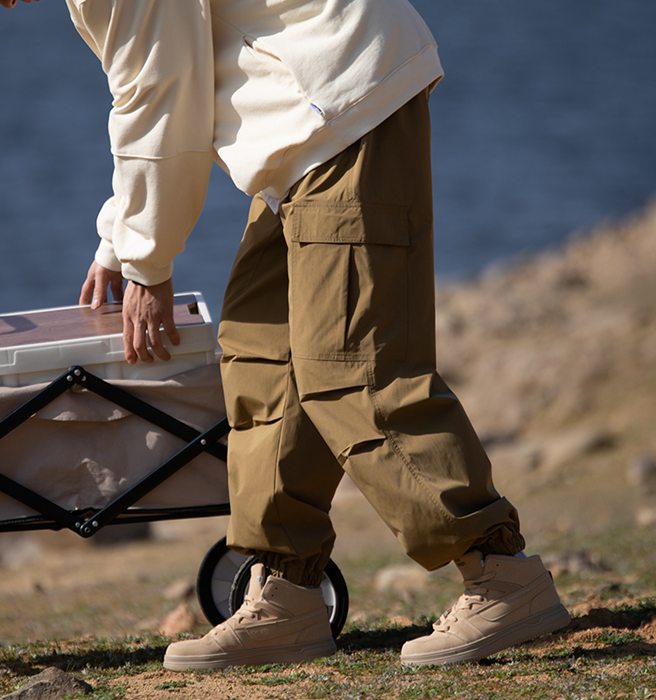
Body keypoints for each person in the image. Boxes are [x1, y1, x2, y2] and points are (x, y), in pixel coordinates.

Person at [2, 0, 571, 669]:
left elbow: (162, 93)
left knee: (352, 368)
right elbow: (159, 89)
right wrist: (116, 242)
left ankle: (502, 573)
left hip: (336, 108)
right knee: (262, 350)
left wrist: (146, 262)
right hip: (301, 130)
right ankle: (286, 595)